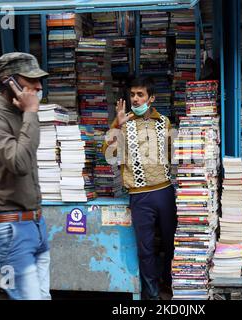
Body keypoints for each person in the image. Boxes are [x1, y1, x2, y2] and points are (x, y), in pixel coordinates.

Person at [0, 52, 50, 300]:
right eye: (31, 80)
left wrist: (28, 114)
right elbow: (19, 163)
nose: (39, 86)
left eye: (39, 80)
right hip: (8, 227)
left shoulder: (21, 114)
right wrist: (31, 113)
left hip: (34, 223)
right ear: (9, 82)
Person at [103, 77, 177, 300]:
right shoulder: (123, 123)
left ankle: (170, 283)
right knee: (145, 248)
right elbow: (108, 154)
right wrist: (117, 125)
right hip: (139, 195)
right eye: (132, 94)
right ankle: (152, 293)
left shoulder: (164, 122)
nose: (135, 99)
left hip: (164, 192)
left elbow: (175, 154)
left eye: (140, 95)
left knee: (170, 241)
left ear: (151, 98)